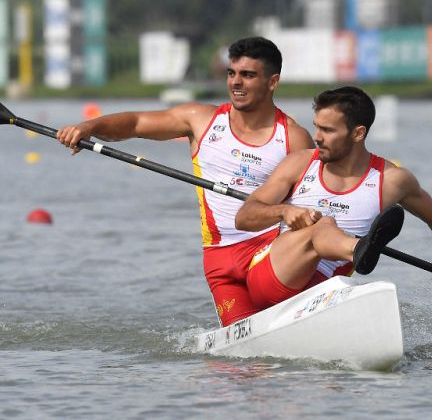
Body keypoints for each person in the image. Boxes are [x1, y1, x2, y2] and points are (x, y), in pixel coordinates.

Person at [56, 37, 315, 326]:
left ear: (272, 82)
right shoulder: (200, 120)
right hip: (220, 260)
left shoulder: (293, 137)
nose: (236, 83)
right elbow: (136, 124)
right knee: (244, 365)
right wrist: (89, 126)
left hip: (270, 252)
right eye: (231, 74)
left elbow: (313, 202)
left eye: (248, 75)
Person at [234, 86, 432, 311]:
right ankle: (358, 249)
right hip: (269, 279)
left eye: (327, 130)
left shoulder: (393, 180)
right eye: (316, 127)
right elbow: (244, 217)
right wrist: (282, 212)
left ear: (358, 133)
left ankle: (360, 252)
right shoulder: (299, 164)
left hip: (321, 291)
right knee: (323, 225)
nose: (317, 137)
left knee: (330, 242)